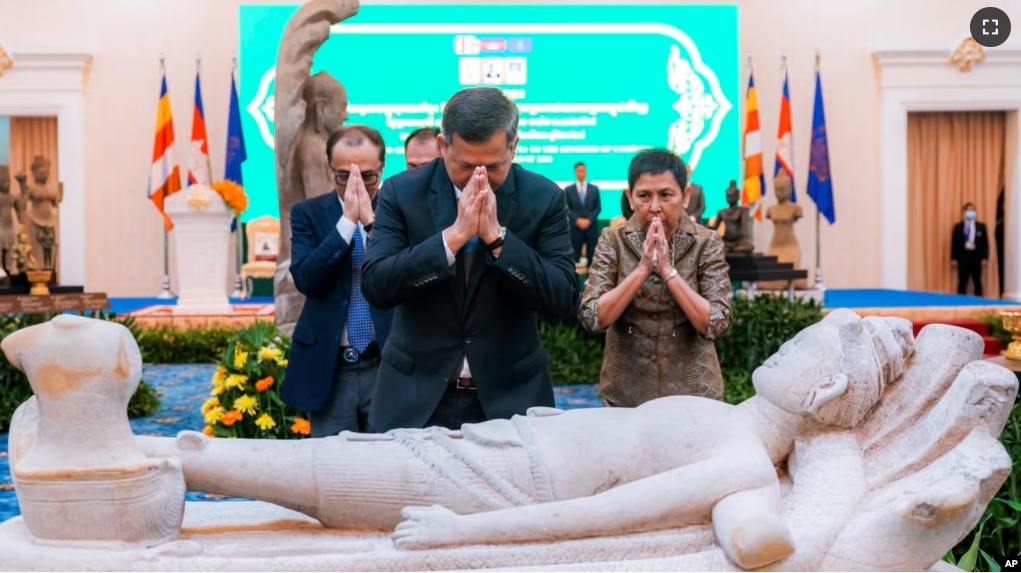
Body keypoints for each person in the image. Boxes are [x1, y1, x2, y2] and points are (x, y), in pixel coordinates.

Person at [134, 310, 914, 570]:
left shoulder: (740, 464)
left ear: (825, 392)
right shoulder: (730, 421)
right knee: (349, 463)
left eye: (806, 347)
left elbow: (600, 520)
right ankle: (172, 463)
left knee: (332, 471)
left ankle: (170, 466)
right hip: (515, 441)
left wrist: (463, 533)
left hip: (510, 487)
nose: (788, 348)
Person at [361, 87, 579, 432]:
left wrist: (498, 240)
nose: (479, 177)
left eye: (494, 166)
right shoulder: (401, 192)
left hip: (511, 400)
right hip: (413, 397)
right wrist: (452, 238)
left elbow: (563, 299)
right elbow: (377, 285)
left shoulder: (544, 197)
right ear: (442, 146)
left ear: (514, 147)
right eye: (464, 165)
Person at [578, 149, 733, 407]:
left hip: (694, 396)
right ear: (630, 197)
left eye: (665, 195)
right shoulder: (612, 240)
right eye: (644, 196)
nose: (654, 207)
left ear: (685, 196)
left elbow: (716, 323)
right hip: (626, 395)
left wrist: (668, 272)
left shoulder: (707, 242)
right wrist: (641, 270)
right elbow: (592, 317)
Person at [282, 125, 393, 436]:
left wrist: (370, 224)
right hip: (330, 367)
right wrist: (346, 224)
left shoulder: (399, 212)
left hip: (385, 363)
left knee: (390, 466)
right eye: (343, 175)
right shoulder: (308, 213)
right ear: (329, 169)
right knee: (332, 469)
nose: (355, 183)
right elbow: (306, 279)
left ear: (382, 168)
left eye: (367, 175)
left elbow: (404, 273)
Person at [564, 162, 601, 267]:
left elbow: (598, 208)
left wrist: (589, 220)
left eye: (583, 171)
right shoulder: (568, 190)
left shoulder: (594, 189)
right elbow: (566, 209)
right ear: (575, 172)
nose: (581, 173)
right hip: (575, 230)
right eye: (579, 171)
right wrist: (577, 220)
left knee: (593, 261)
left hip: (591, 229)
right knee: (573, 260)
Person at [951, 201, 989, 296]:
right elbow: (954, 244)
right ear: (964, 212)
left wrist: (985, 258)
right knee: (962, 282)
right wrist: (953, 258)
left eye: (972, 210)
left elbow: (985, 244)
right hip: (963, 258)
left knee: (977, 282)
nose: (970, 212)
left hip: (976, 257)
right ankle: (960, 302)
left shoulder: (981, 227)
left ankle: (979, 302)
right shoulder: (958, 227)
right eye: (968, 210)